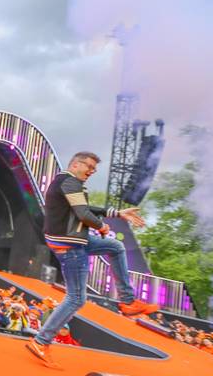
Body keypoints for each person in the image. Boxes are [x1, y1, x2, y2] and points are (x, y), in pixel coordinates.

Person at [26, 151, 156, 369]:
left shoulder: (66, 182)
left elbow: (84, 209)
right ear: (76, 164)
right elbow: (83, 214)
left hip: (74, 239)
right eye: (90, 167)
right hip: (71, 245)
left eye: (94, 170)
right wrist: (101, 226)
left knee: (116, 247)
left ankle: (127, 301)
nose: (92, 172)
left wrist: (117, 213)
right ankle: (41, 341)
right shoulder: (70, 182)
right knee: (76, 299)